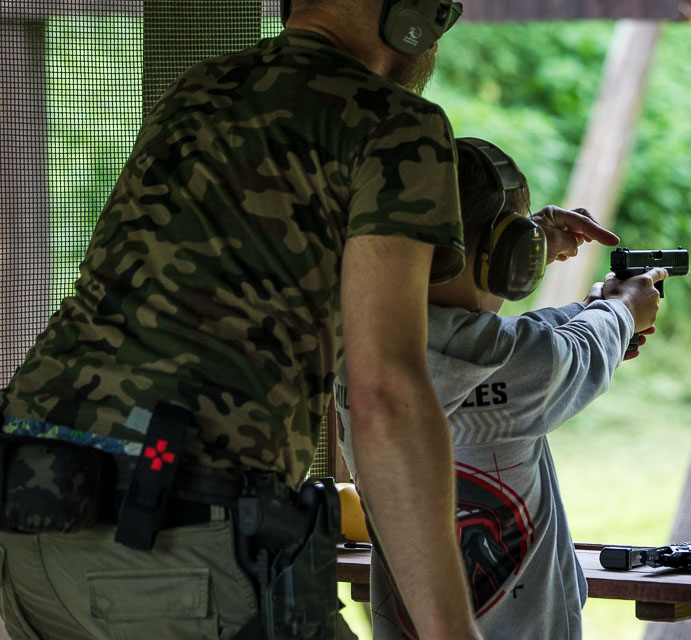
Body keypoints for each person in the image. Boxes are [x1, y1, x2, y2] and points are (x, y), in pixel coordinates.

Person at [0, 2, 620, 638]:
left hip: (29, 514)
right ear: (414, 16)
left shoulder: (202, 87)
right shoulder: (397, 124)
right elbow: (386, 392)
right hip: (169, 529)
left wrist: (524, 237)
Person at [335, 137, 666, 639]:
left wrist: (586, 308)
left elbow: (512, 343)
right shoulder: (502, 358)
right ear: (508, 256)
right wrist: (621, 311)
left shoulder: (356, 347)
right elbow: (567, 355)